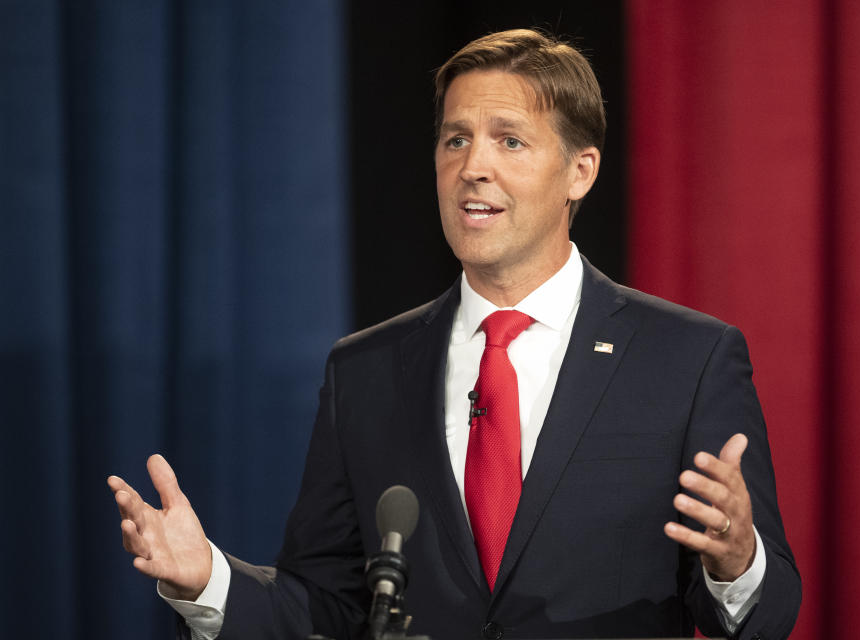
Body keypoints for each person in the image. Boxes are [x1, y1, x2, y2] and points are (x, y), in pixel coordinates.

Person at [109, 29, 800, 640]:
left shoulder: (687, 359)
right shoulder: (366, 369)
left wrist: (737, 561)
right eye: (455, 138)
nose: (474, 166)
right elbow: (325, 606)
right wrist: (208, 582)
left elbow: (767, 617)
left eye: (510, 140)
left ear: (579, 172)